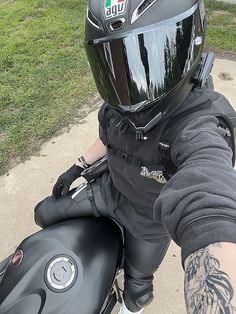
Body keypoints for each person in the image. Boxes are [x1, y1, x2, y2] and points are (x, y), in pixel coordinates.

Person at [35, 0, 236, 313]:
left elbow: (210, 202)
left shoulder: (198, 128)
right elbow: (106, 136)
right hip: (108, 187)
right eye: (115, 64)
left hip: (147, 219)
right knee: (43, 213)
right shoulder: (118, 105)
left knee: (137, 290)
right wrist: (77, 167)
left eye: (149, 59)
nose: (128, 84)